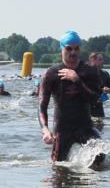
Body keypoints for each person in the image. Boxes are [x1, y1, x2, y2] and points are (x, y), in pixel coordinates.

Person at [39, 31, 103, 163]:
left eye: (76, 48)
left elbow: (96, 100)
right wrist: (45, 129)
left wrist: (77, 80)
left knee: (100, 158)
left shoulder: (90, 71)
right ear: (62, 49)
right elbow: (42, 106)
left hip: (85, 127)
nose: (73, 52)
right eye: (69, 48)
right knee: (59, 169)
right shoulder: (51, 73)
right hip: (62, 130)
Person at [88, 52, 110, 118]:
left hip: (99, 109)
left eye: (102, 59)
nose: (103, 61)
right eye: (100, 59)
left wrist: (109, 90)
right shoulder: (85, 73)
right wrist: (100, 90)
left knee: (100, 127)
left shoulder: (105, 74)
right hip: (86, 109)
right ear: (92, 60)